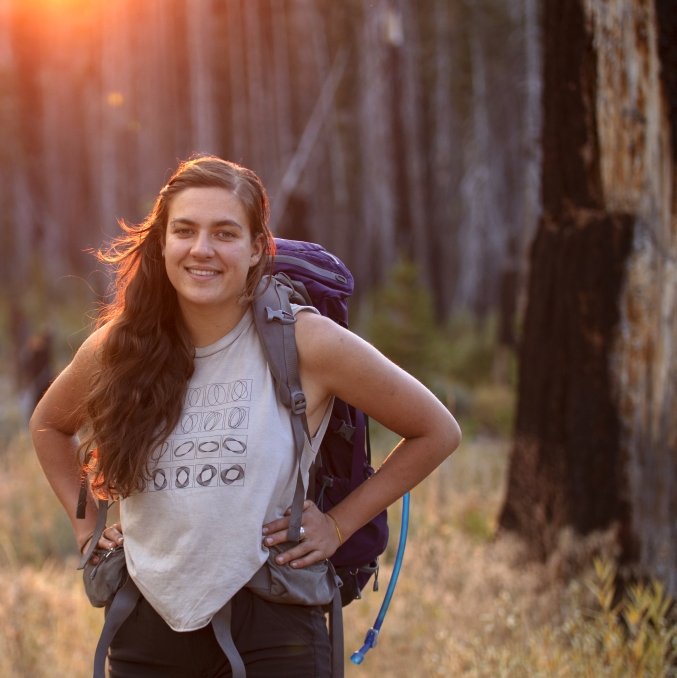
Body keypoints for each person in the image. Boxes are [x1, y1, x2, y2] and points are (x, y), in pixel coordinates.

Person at [30, 156, 461, 677]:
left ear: (258, 247)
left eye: (225, 233)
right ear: (162, 242)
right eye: (184, 230)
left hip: (273, 625)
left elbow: (436, 430)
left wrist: (339, 525)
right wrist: (86, 526)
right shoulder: (119, 347)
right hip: (145, 622)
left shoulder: (305, 341)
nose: (202, 249)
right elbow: (49, 425)